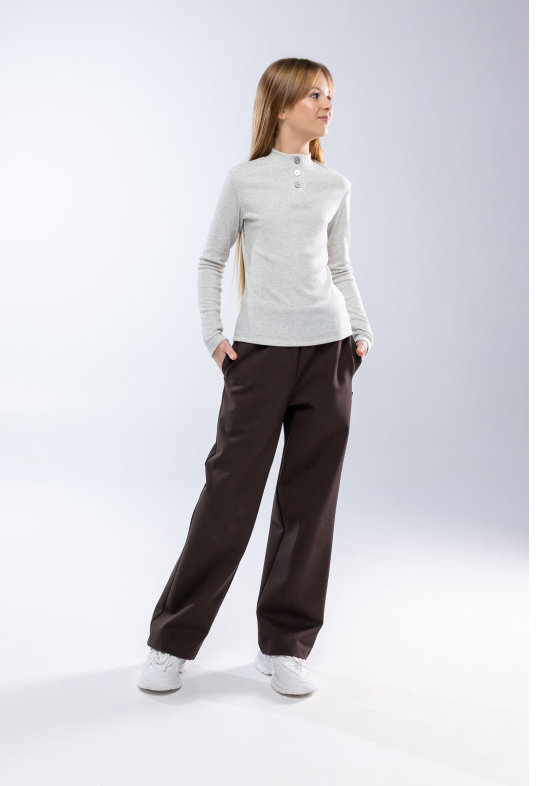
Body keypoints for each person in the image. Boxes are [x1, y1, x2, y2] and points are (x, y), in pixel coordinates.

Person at [137, 57, 374, 697]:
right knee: (229, 495)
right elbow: (210, 261)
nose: (326, 105)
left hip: (329, 354)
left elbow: (340, 267)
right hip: (260, 357)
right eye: (314, 95)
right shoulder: (244, 180)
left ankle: (285, 647)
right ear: (282, 104)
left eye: (330, 95)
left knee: (309, 504)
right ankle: (170, 643)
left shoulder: (335, 185)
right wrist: (214, 337)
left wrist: (360, 330)